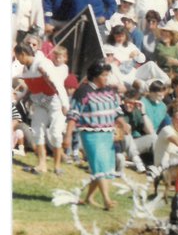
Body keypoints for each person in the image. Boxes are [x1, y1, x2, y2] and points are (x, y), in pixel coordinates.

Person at [63, 61, 126, 209]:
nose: (107, 78)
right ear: (95, 76)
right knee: (100, 166)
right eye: (104, 75)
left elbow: (116, 111)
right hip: (91, 135)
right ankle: (106, 200)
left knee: (104, 167)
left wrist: (123, 124)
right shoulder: (83, 91)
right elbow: (73, 115)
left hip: (107, 134)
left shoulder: (109, 91)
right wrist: (67, 136)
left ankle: (89, 198)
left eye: (107, 75)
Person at [14, 41, 69, 174]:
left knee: (56, 134)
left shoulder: (43, 64)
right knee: (37, 132)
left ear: (23, 54)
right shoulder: (26, 68)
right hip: (39, 103)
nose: (17, 59)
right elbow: (30, 88)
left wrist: (65, 103)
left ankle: (57, 166)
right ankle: (42, 165)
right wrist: (18, 98)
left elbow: (57, 83)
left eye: (18, 56)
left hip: (54, 101)